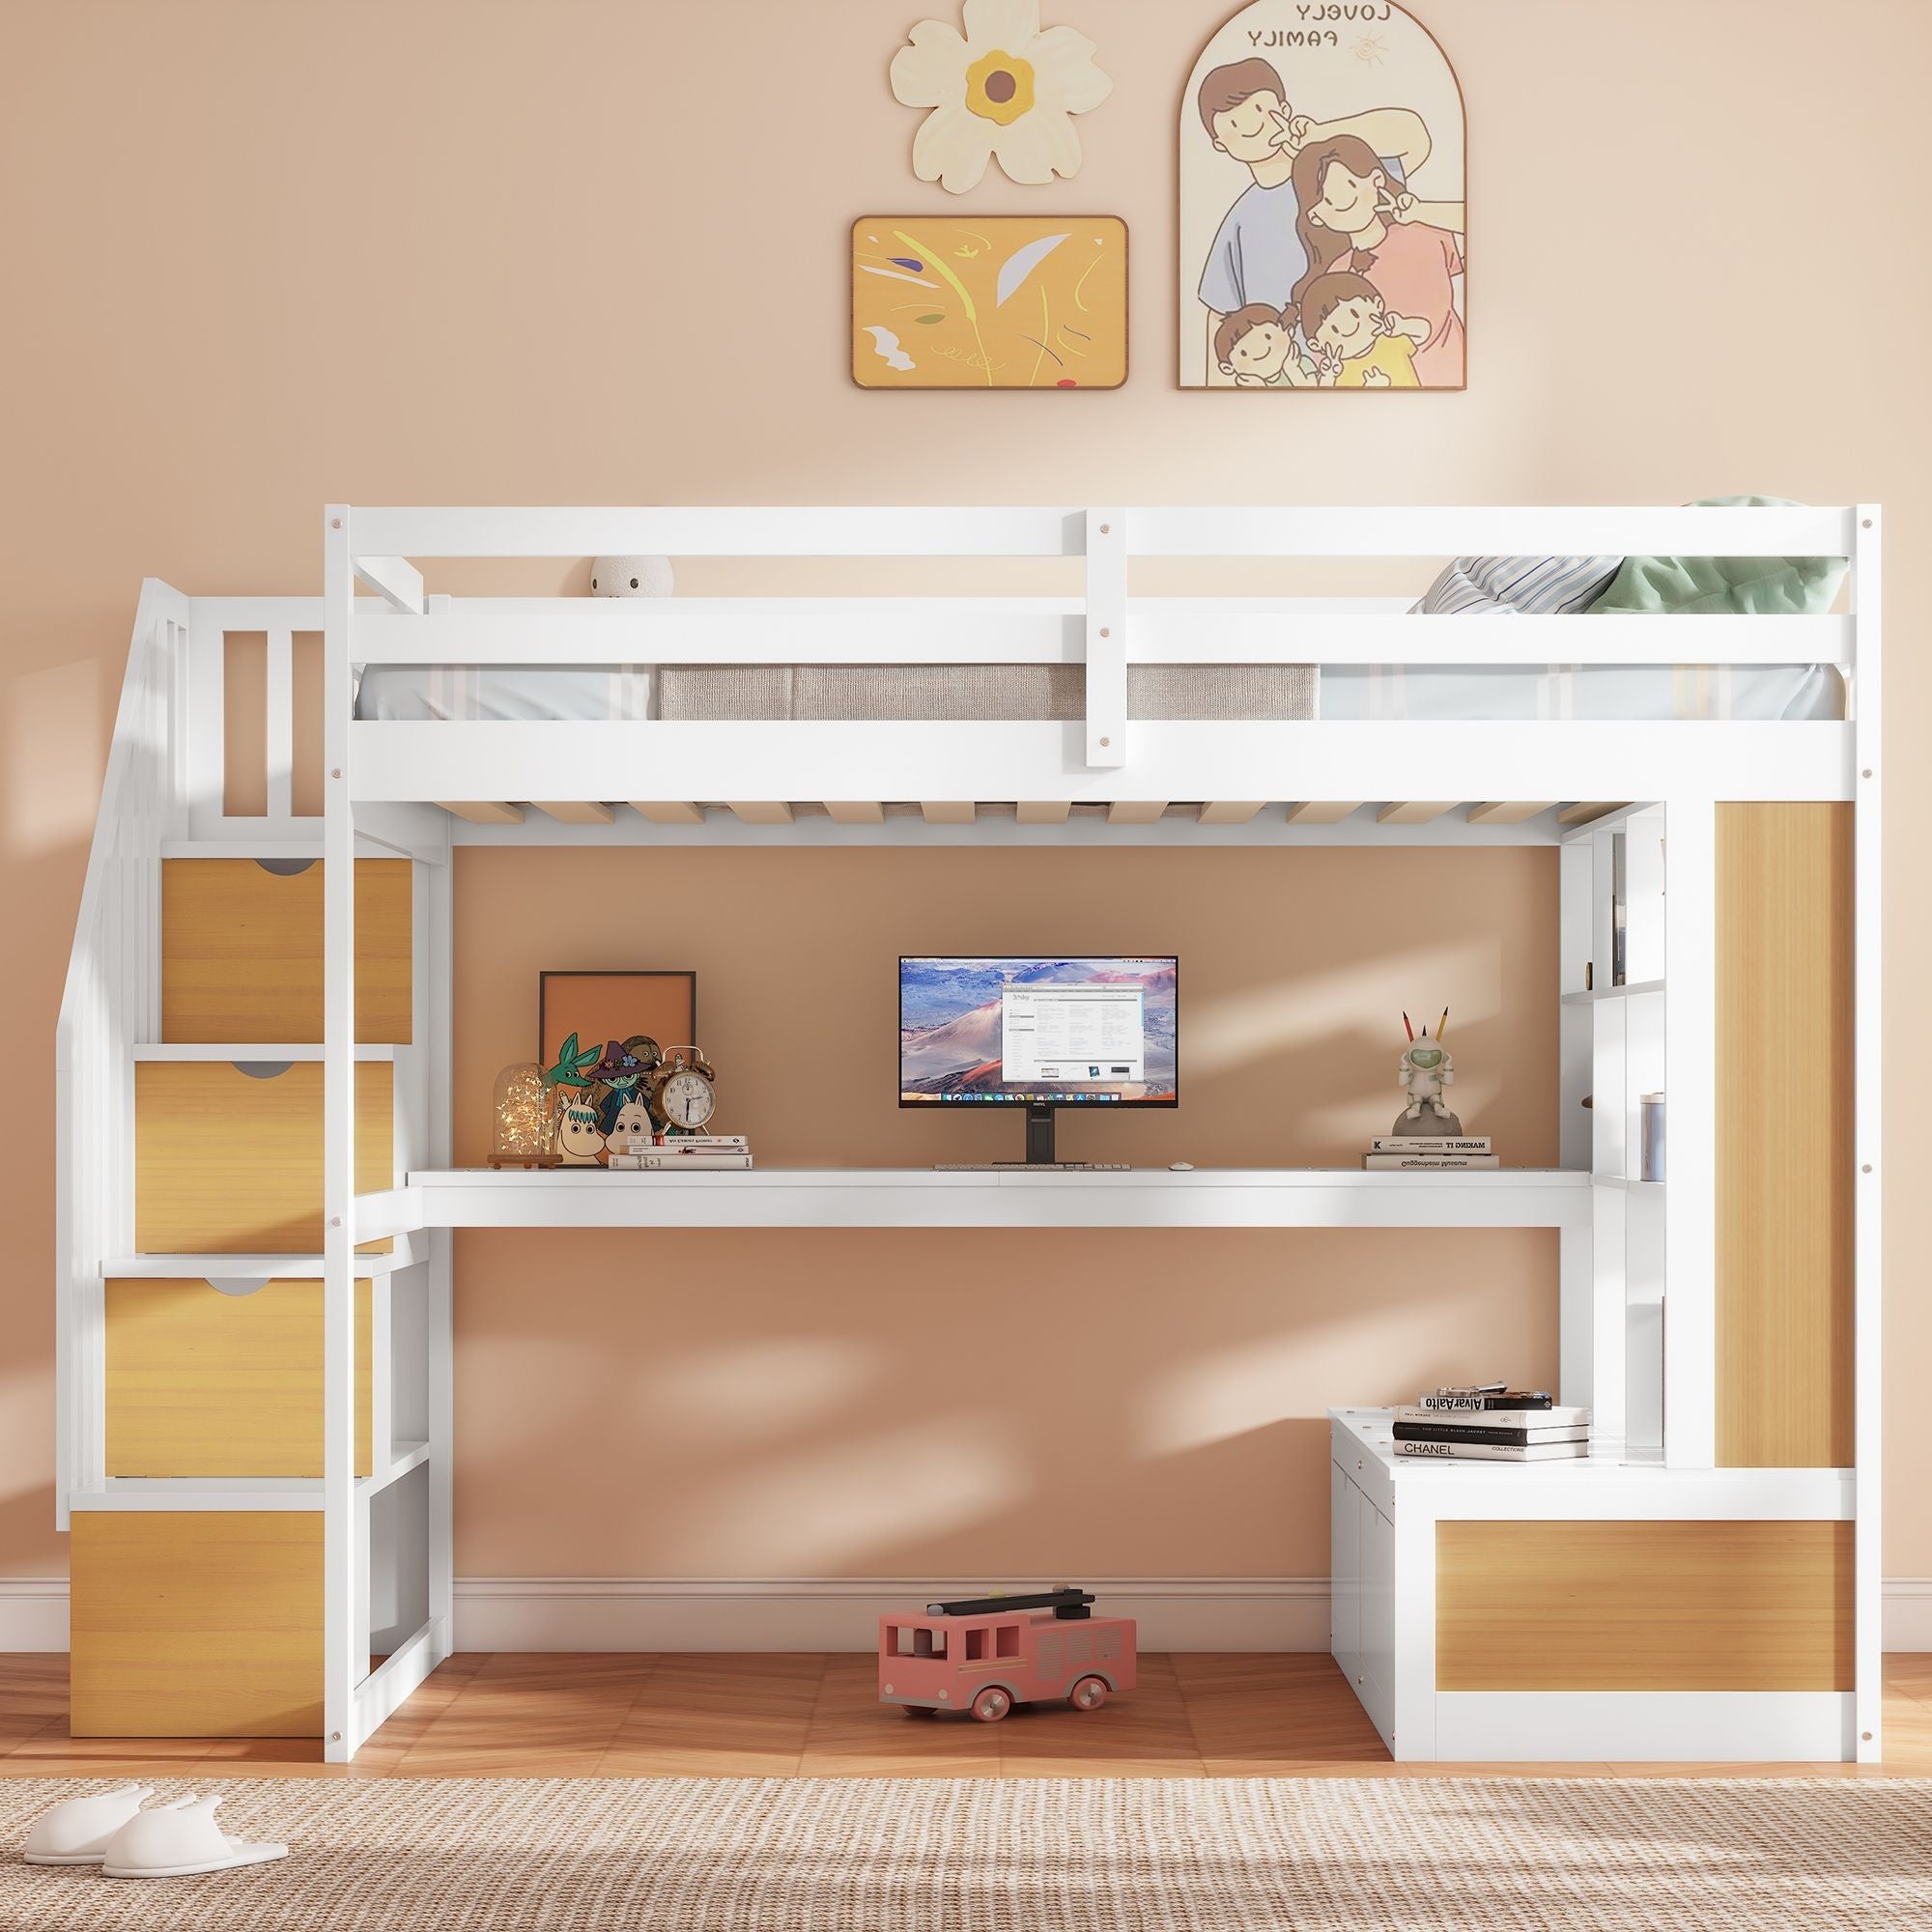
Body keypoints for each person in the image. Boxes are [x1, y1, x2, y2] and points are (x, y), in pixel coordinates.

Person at [1194, 57, 1431, 378]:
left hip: (1383, 357)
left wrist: (1321, 134)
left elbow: (1414, 138)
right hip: (1298, 376)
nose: (1253, 126)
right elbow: (1220, 316)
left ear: (1285, 110)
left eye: (1261, 110)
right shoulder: (1239, 222)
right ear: (1220, 144)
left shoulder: (1339, 173)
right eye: (1234, 123)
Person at [1291, 134, 1464, 385]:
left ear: (1376, 180)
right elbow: (1330, 358)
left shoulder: (1425, 232)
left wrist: (1422, 211)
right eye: (1327, 200)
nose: (1343, 203)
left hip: (1451, 379)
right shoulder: (1334, 276)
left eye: (1350, 186)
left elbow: (1482, 230)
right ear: (1316, 217)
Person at [1298, 271, 1430, 387]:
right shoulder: (1338, 370)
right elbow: (1325, 400)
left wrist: (1403, 326)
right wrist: (1328, 376)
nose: (1347, 328)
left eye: (1355, 314)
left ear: (1378, 305)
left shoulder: (1390, 340)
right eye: (1335, 329)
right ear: (1315, 344)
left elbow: (1424, 332)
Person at [1213, 303, 1323, 386]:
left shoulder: (1302, 363)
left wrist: (1293, 370)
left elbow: (1313, 391)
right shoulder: (1246, 384)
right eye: (1244, 353)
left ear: (1289, 332)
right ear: (1228, 368)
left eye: (1268, 337)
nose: (1260, 350)